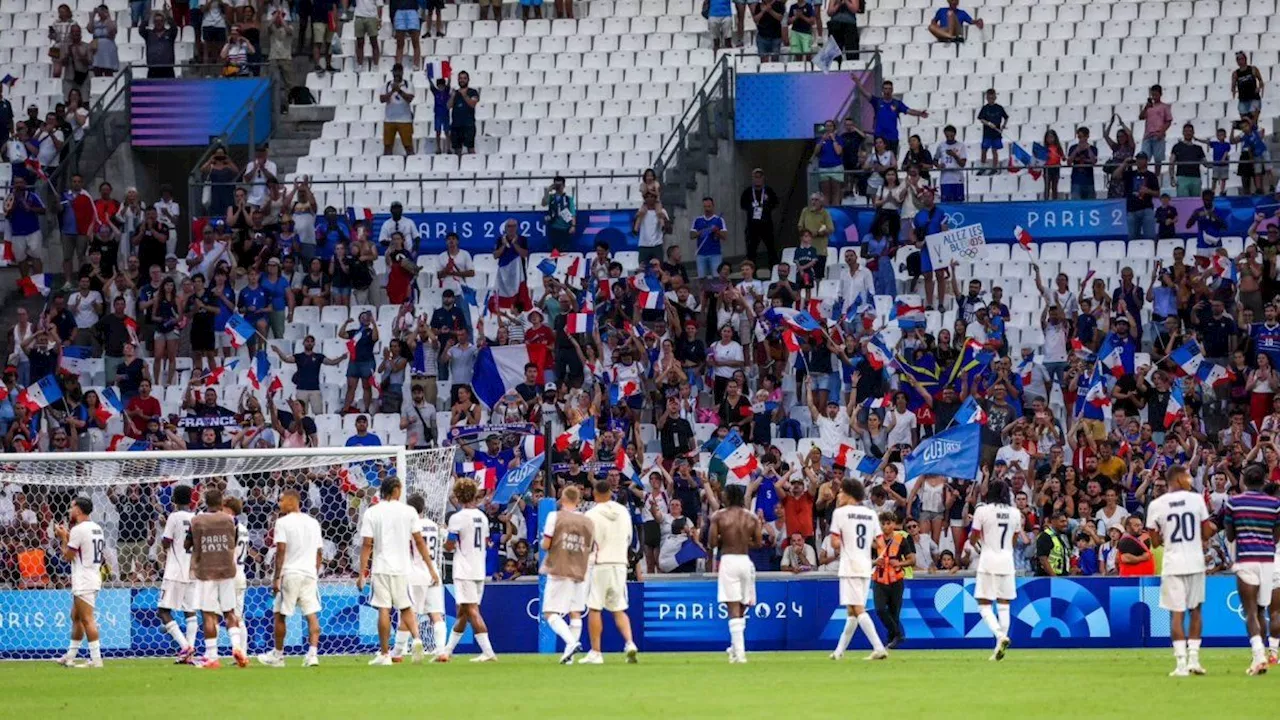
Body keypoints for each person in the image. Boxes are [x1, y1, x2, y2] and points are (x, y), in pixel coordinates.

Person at [357, 477, 433, 665]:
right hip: (403, 567)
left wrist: (362, 573)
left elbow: (367, 544)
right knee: (406, 606)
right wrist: (431, 568)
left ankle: (384, 655)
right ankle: (416, 640)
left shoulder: (372, 512)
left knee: (383, 608)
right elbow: (419, 541)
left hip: (381, 567)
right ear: (397, 490)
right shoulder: (409, 512)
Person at [1145, 465, 1211, 677]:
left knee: (1177, 613)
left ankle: (1181, 664)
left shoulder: (1156, 504)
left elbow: (1154, 542)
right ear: (1180, 478)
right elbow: (1207, 532)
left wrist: (1165, 534)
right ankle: (1194, 660)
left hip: (1173, 563)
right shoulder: (1197, 499)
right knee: (1196, 611)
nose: (1190, 480)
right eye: (1188, 477)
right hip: (1195, 562)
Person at [1224, 463, 1280, 675]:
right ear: (1264, 480)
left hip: (1246, 559)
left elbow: (1229, 536)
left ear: (1245, 481)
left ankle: (1258, 655)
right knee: (1262, 610)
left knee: (1250, 611)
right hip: (1267, 560)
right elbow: (1276, 536)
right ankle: (1264, 654)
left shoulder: (1234, 502)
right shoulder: (1274, 504)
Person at [257, 489, 323, 667]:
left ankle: (278, 656)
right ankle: (313, 654)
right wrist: (314, 572)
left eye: (281, 500)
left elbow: (281, 551)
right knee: (311, 614)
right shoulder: (313, 522)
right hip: (309, 573)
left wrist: (277, 577)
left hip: (290, 573)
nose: (279, 504)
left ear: (292, 502)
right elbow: (319, 552)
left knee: (280, 615)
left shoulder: (282, 522)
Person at [581, 478, 640, 664]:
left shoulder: (591, 514)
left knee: (595, 607)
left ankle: (596, 652)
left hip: (600, 564)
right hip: (620, 564)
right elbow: (630, 537)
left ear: (595, 493)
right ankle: (630, 643)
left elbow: (587, 543)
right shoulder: (623, 512)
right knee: (619, 607)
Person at [829, 478, 888, 661]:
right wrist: (878, 559)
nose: (838, 495)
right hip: (865, 566)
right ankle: (839, 652)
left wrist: (844, 542)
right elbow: (880, 543)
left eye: (840, 492)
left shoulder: (840, 513)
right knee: (852, 611)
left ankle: (878, 647)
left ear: (848, 493)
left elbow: (834, 542)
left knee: (858, 609)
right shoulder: (870, 514)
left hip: (849, 566)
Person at [186, 488, 246, 669]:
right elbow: (233, 542)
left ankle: (212, 655)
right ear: (221, 503)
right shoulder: (230, 520)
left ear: (205, 501)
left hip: (206, 572)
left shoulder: (197, 521)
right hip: (228, 571)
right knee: (230, 612)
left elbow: (187, 544)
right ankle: (237, 647)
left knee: (209, 614)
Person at [440, 478, 497, 662]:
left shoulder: (457, 518)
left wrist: (443, 537)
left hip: (464, 569)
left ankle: (488, 652)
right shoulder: (482, 516)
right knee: (463, 611)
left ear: (458, 496)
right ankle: (447, 651)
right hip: (479, 568)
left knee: (471, 610)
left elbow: (449, 546)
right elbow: (485, 542)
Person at [540, 485, 595, 664]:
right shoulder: (587, 521)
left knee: (550, 612)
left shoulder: (554, 516)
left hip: (559, 567)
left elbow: (546, 544)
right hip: (580, 569)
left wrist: (545, 542)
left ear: (562, 499)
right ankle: (569, 656)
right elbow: (590, 546)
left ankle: (571, 643)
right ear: (578, 500)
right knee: (575, 611)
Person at [709, 484, 762, 664]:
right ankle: (735, 647)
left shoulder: (719, 516)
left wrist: (725, 539)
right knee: (742, 605)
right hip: (746, 561)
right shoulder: (752, 517)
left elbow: (711, 543)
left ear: (729, 497)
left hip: (729, 560)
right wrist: (743, 541)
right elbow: (759, 542)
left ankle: (740, 653)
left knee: (733, 606)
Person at [969, 479, 1020, 661]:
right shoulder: (1015, 513)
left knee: (984, 604)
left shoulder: (982, 511)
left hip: (988, 560)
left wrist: (976, 543)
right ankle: (999, 647)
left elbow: (974, 536)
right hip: (1007, 561)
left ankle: (1000, 636)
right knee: (1004, 604)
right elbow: (1014, 540)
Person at [392, 493, 443, 662]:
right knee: (435, 614)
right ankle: (441, 651)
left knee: (409, 612)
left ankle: (398, 652)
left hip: (415, 573)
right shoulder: (433, 525)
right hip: (434, 572)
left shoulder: (411, 527)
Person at [54, 497, 104, 668]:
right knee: (75, 616)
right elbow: (83, 547)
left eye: (71, 507)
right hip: (92, 575)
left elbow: (68, 556)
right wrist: (68, 535)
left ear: (79, 510)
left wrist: (62, 537)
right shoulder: (96, 528)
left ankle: (96, 660)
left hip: (84, 579)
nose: (69, 510)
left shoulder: (78, 529)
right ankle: (70, 655)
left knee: (87, 619)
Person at [158, 484, 198, 663]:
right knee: (190, 611)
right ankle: (189, 655)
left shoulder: (173, 517)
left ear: (173, 499)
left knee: (163, 610)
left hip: (174, 570)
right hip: (192, 571)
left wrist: (163, 526)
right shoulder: (196, 518)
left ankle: (185, 647)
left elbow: (166, 543)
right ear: (191, 499)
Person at [871, 510, 914, 650]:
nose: (885, 526)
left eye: (888, 523)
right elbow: (864, 560)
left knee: (894, 613)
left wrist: (900, 564)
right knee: (880, 609)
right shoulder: (874, 541)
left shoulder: (901, 539)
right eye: (882, 524)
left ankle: (891, 643)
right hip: (879, 580)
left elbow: (912, 560)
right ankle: (898, 634)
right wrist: (874, 562)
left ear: (894, 524)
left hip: (896, 581)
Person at [739, 169, 779, 267]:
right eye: (755, 177)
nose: (758, 179)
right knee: (751, 251)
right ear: (752, 178)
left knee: (771, 250)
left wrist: (766, 207)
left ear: (763, 178)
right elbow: (743, 204)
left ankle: (773, 271)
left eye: (759, 177)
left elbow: (775, 203)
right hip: (752, 226)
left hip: (766, 225)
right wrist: (751, 207)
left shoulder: (768, 190)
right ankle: (752, 274)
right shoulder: (748, 191)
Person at [381, 63, 415, 156]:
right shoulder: (387, 84)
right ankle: (387, 167)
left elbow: (409, 99)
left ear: (402, 72)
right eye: (395, 72)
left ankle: (412, 165)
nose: (396, 74)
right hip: (389, 119)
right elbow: (382, 99)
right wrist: (392, 91)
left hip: (405, 120)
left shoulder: (408, 84)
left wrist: (399, 91)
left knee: (408, 146)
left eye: (398, 72)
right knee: (387, 146)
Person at [1035, 512, 1070, 576]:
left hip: (1060, 577)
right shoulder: (1045, 536)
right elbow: (1043, 559)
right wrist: (1054, 578)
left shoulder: (1062, 537)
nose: (1065, 524)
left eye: (1066, 521)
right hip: (1047, 579)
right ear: (1053, 522)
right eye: (1062, 521)